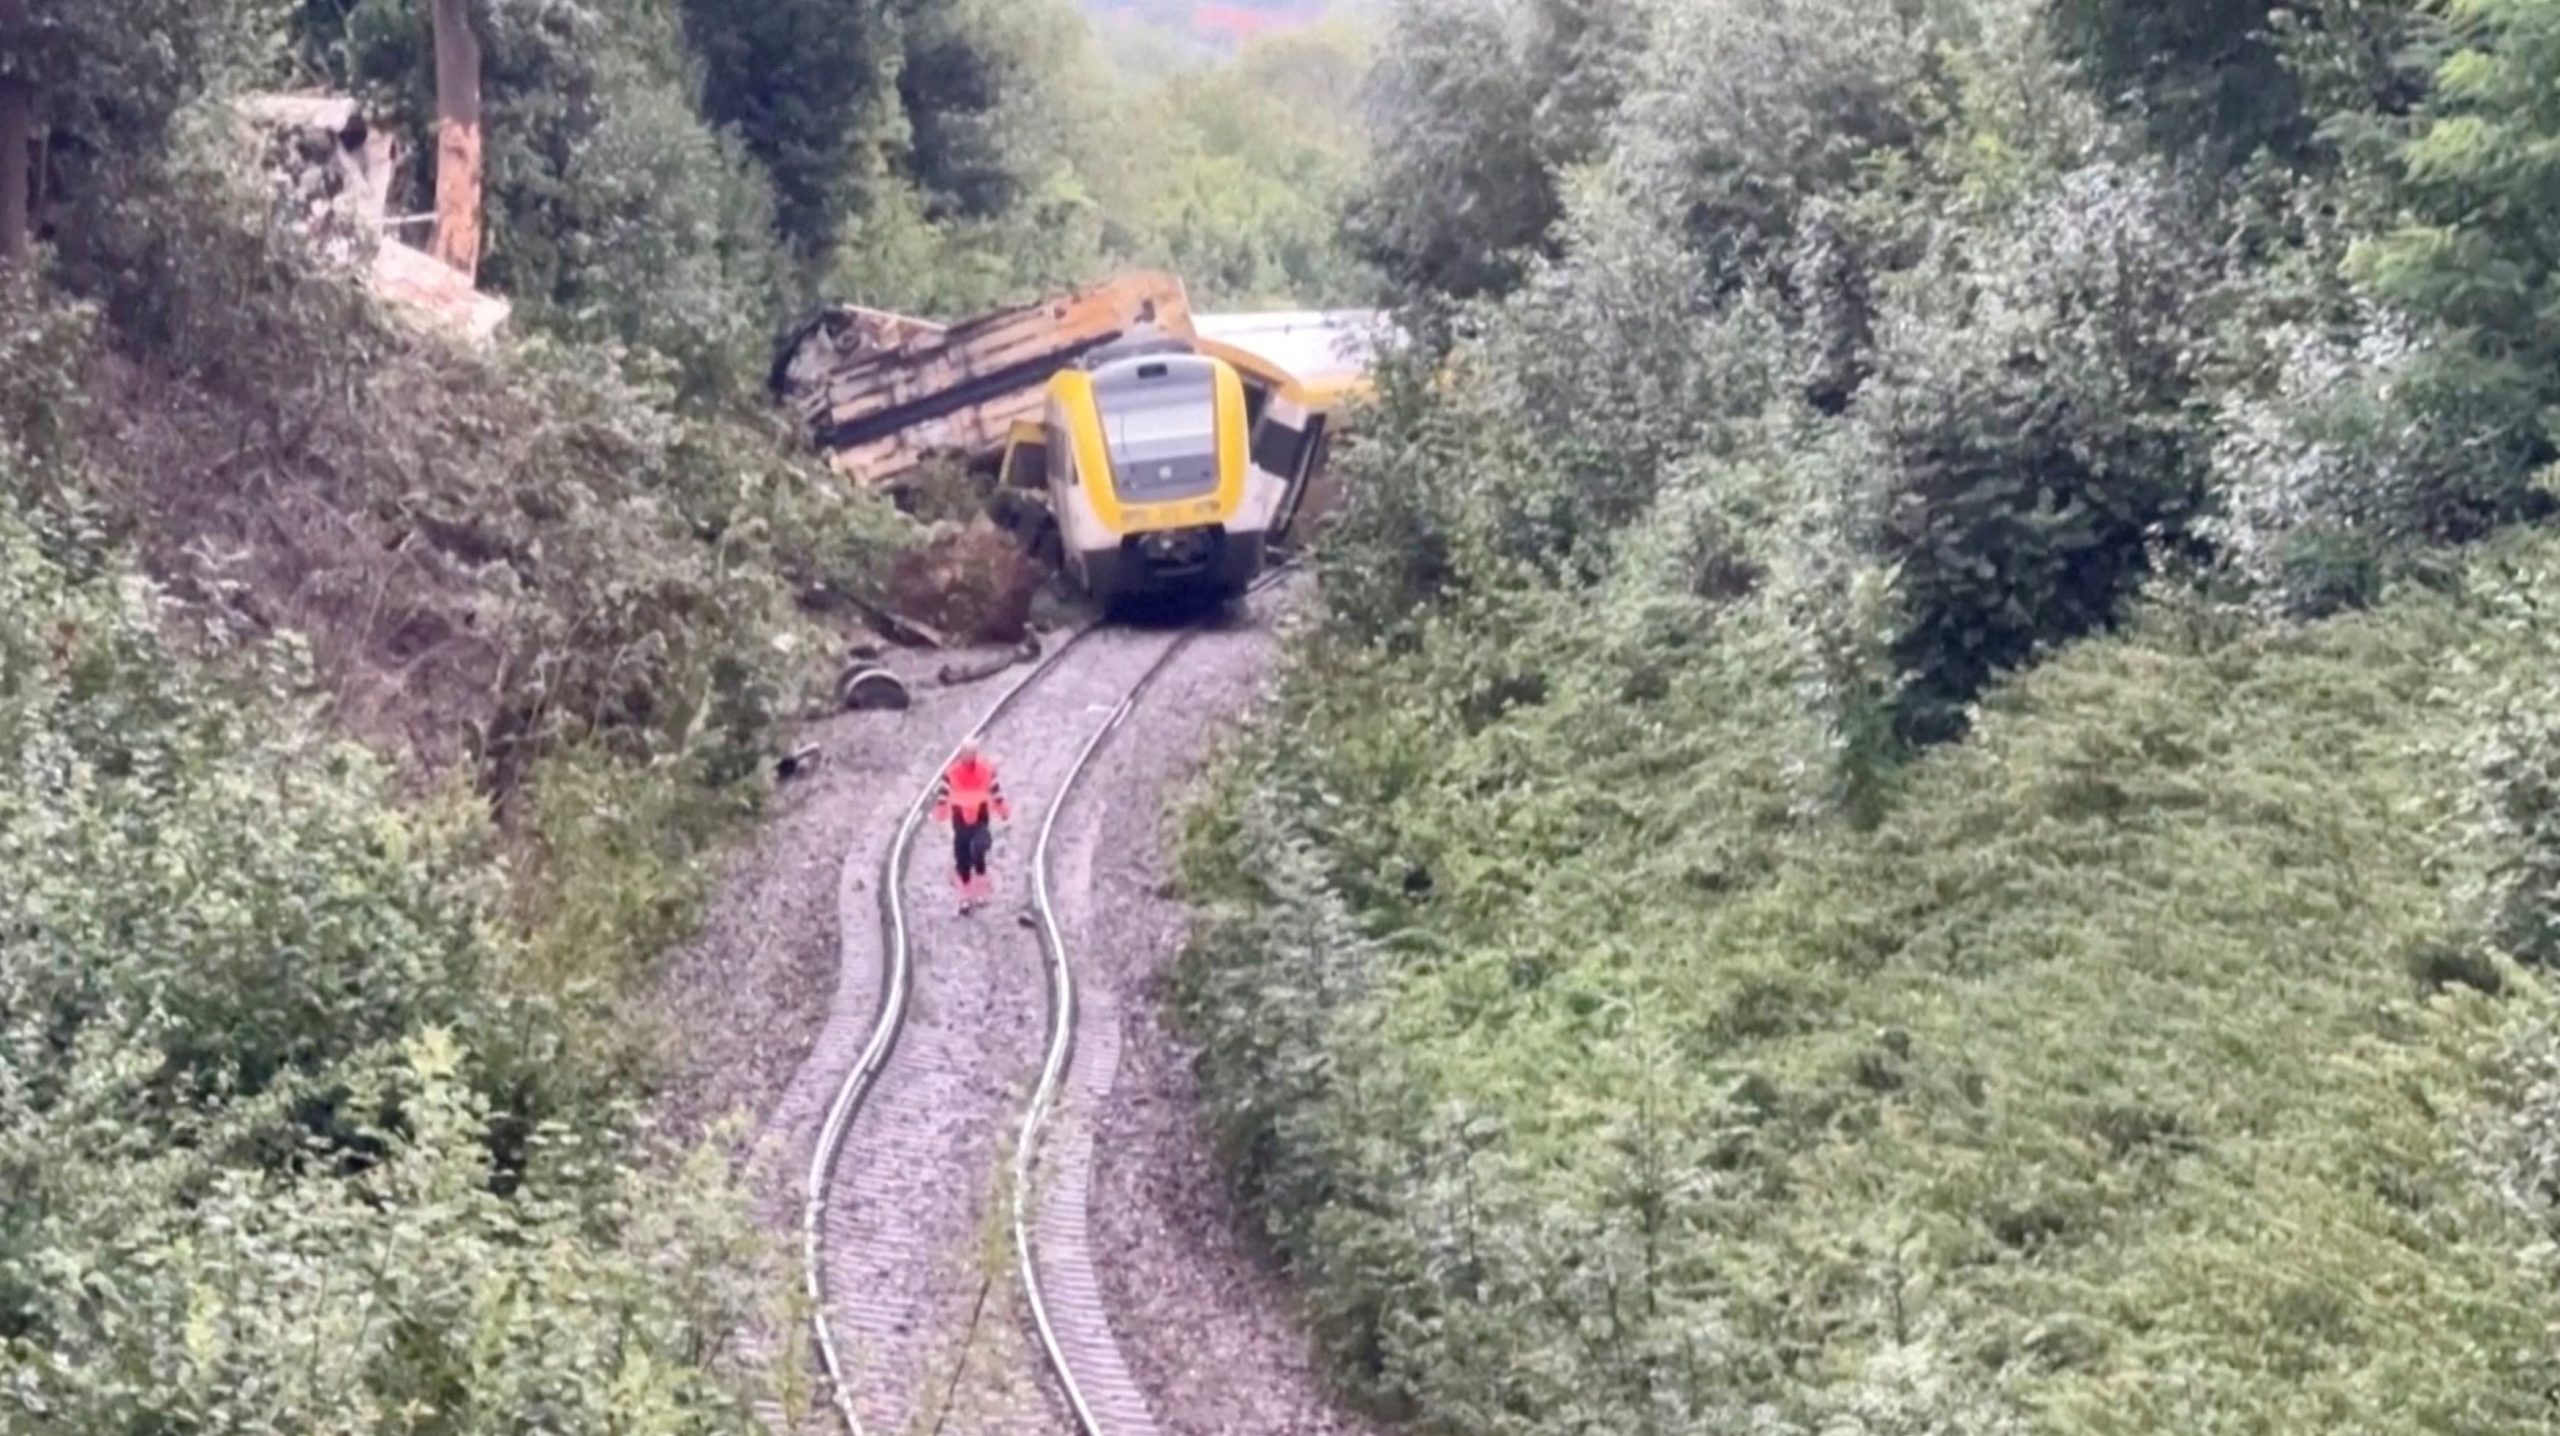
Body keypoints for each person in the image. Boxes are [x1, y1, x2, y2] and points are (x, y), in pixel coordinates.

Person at [933, 737, 1011, 912]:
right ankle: (965, 895)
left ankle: (981, 889)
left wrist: (1003, 810)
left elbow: (995, 790)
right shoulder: (952, 772)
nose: (968, 756)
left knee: (979, 849)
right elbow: (943, 793)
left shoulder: (985, 770)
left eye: (971, 753)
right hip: (960, 816)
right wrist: (941, 811)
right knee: (962, 854)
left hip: (980, 814)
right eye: (965, 753)